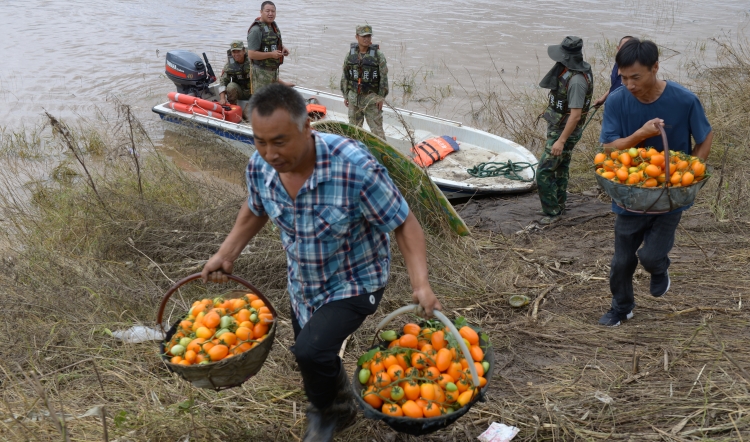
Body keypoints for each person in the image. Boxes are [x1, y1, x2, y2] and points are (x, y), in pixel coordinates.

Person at [201, 84, 442, 441]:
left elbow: (404, 223)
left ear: (306, 130)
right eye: (260, 141)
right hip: (304, 283)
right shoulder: (260, 167)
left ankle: (325, 413)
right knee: (314, 355)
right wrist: (226, 254)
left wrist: (420, 284)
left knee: (310, 350)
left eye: (280, 142)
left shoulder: (354, 167)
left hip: (357, 279)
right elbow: (256, 209)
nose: (270, 153)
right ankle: (342, 399)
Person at [598, 38, 713, 326]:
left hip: (669, 197)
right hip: (630, 195)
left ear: (655, 68)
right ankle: (622, 307)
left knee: (650, 256)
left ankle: (659, 267)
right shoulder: (616, 100)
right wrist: (639, 135)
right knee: (621, 262)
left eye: (636, 77)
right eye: (623, 77)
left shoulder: (684, 100)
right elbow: (609, 149)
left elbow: (704, 136)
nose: (629, 84)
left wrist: (695, 168)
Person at [536, 36, 595, 225]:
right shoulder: (571, 71)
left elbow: (576, 116)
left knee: (544, 171)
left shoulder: (577, 81)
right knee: (560, 168)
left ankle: (552, 213)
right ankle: (559, 205)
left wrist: (561, 141)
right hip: (559, 129)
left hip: (564, 132)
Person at [340, 24, 389, 140]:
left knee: (377, 133)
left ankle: (382, 155)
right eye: (363, 36)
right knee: (353, 131)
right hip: (354, 99)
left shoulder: (378, 55)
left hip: (371, 100)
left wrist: (381, 97)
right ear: (357, 37)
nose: (367, 39)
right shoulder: (350, 55)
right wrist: (345, 95)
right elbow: (345, 76)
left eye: (369, 36)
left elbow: (384, 78)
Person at [247, 1, 292, 92]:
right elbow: (251, 54)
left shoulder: (272, 25)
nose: (270, 14)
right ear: (261, 12)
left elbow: (273, 41)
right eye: (267, 11)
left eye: (273, 11)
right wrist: (271, 54)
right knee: (262, 101)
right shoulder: (256, 30)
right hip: (261, 73)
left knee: (272, 100)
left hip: (273, 72)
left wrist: (282, 48)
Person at [592, 36, 633, 108]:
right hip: (612, 108)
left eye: (630, 48)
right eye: (624, 47)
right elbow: (615, 86)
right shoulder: (617, 64)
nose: (627, 50)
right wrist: (603, 99)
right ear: (618, 49)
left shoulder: (636, 71)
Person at [218, 40, 252, 105]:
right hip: (240, 92)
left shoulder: (253, 60)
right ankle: (234, 108)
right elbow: (223, 81)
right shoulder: (229, 66)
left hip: (254, 92)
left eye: (238, 51)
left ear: (244, 51)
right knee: (230, 86)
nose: (236, 54)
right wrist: (222, 98)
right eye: (234, 52)